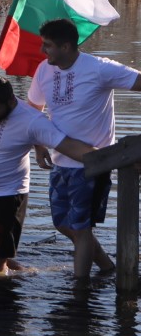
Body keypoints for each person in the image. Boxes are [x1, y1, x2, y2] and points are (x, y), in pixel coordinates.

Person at [27, 17, 141, 280]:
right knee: (63, 224)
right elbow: (33, 108)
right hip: (60, 161)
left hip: (92, 164)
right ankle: (107, 267)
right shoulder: (44, 70)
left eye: (48, 45)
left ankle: (80, 291)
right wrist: (39, 145)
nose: (43, 51)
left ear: (66, 46)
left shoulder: (99, 68)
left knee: (80, 228)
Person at [0, 75, 95, 276]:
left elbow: (68, 145)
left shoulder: (31, 120)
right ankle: (25, 273)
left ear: (10, 101)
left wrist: (110, 158)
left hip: (7, 196)